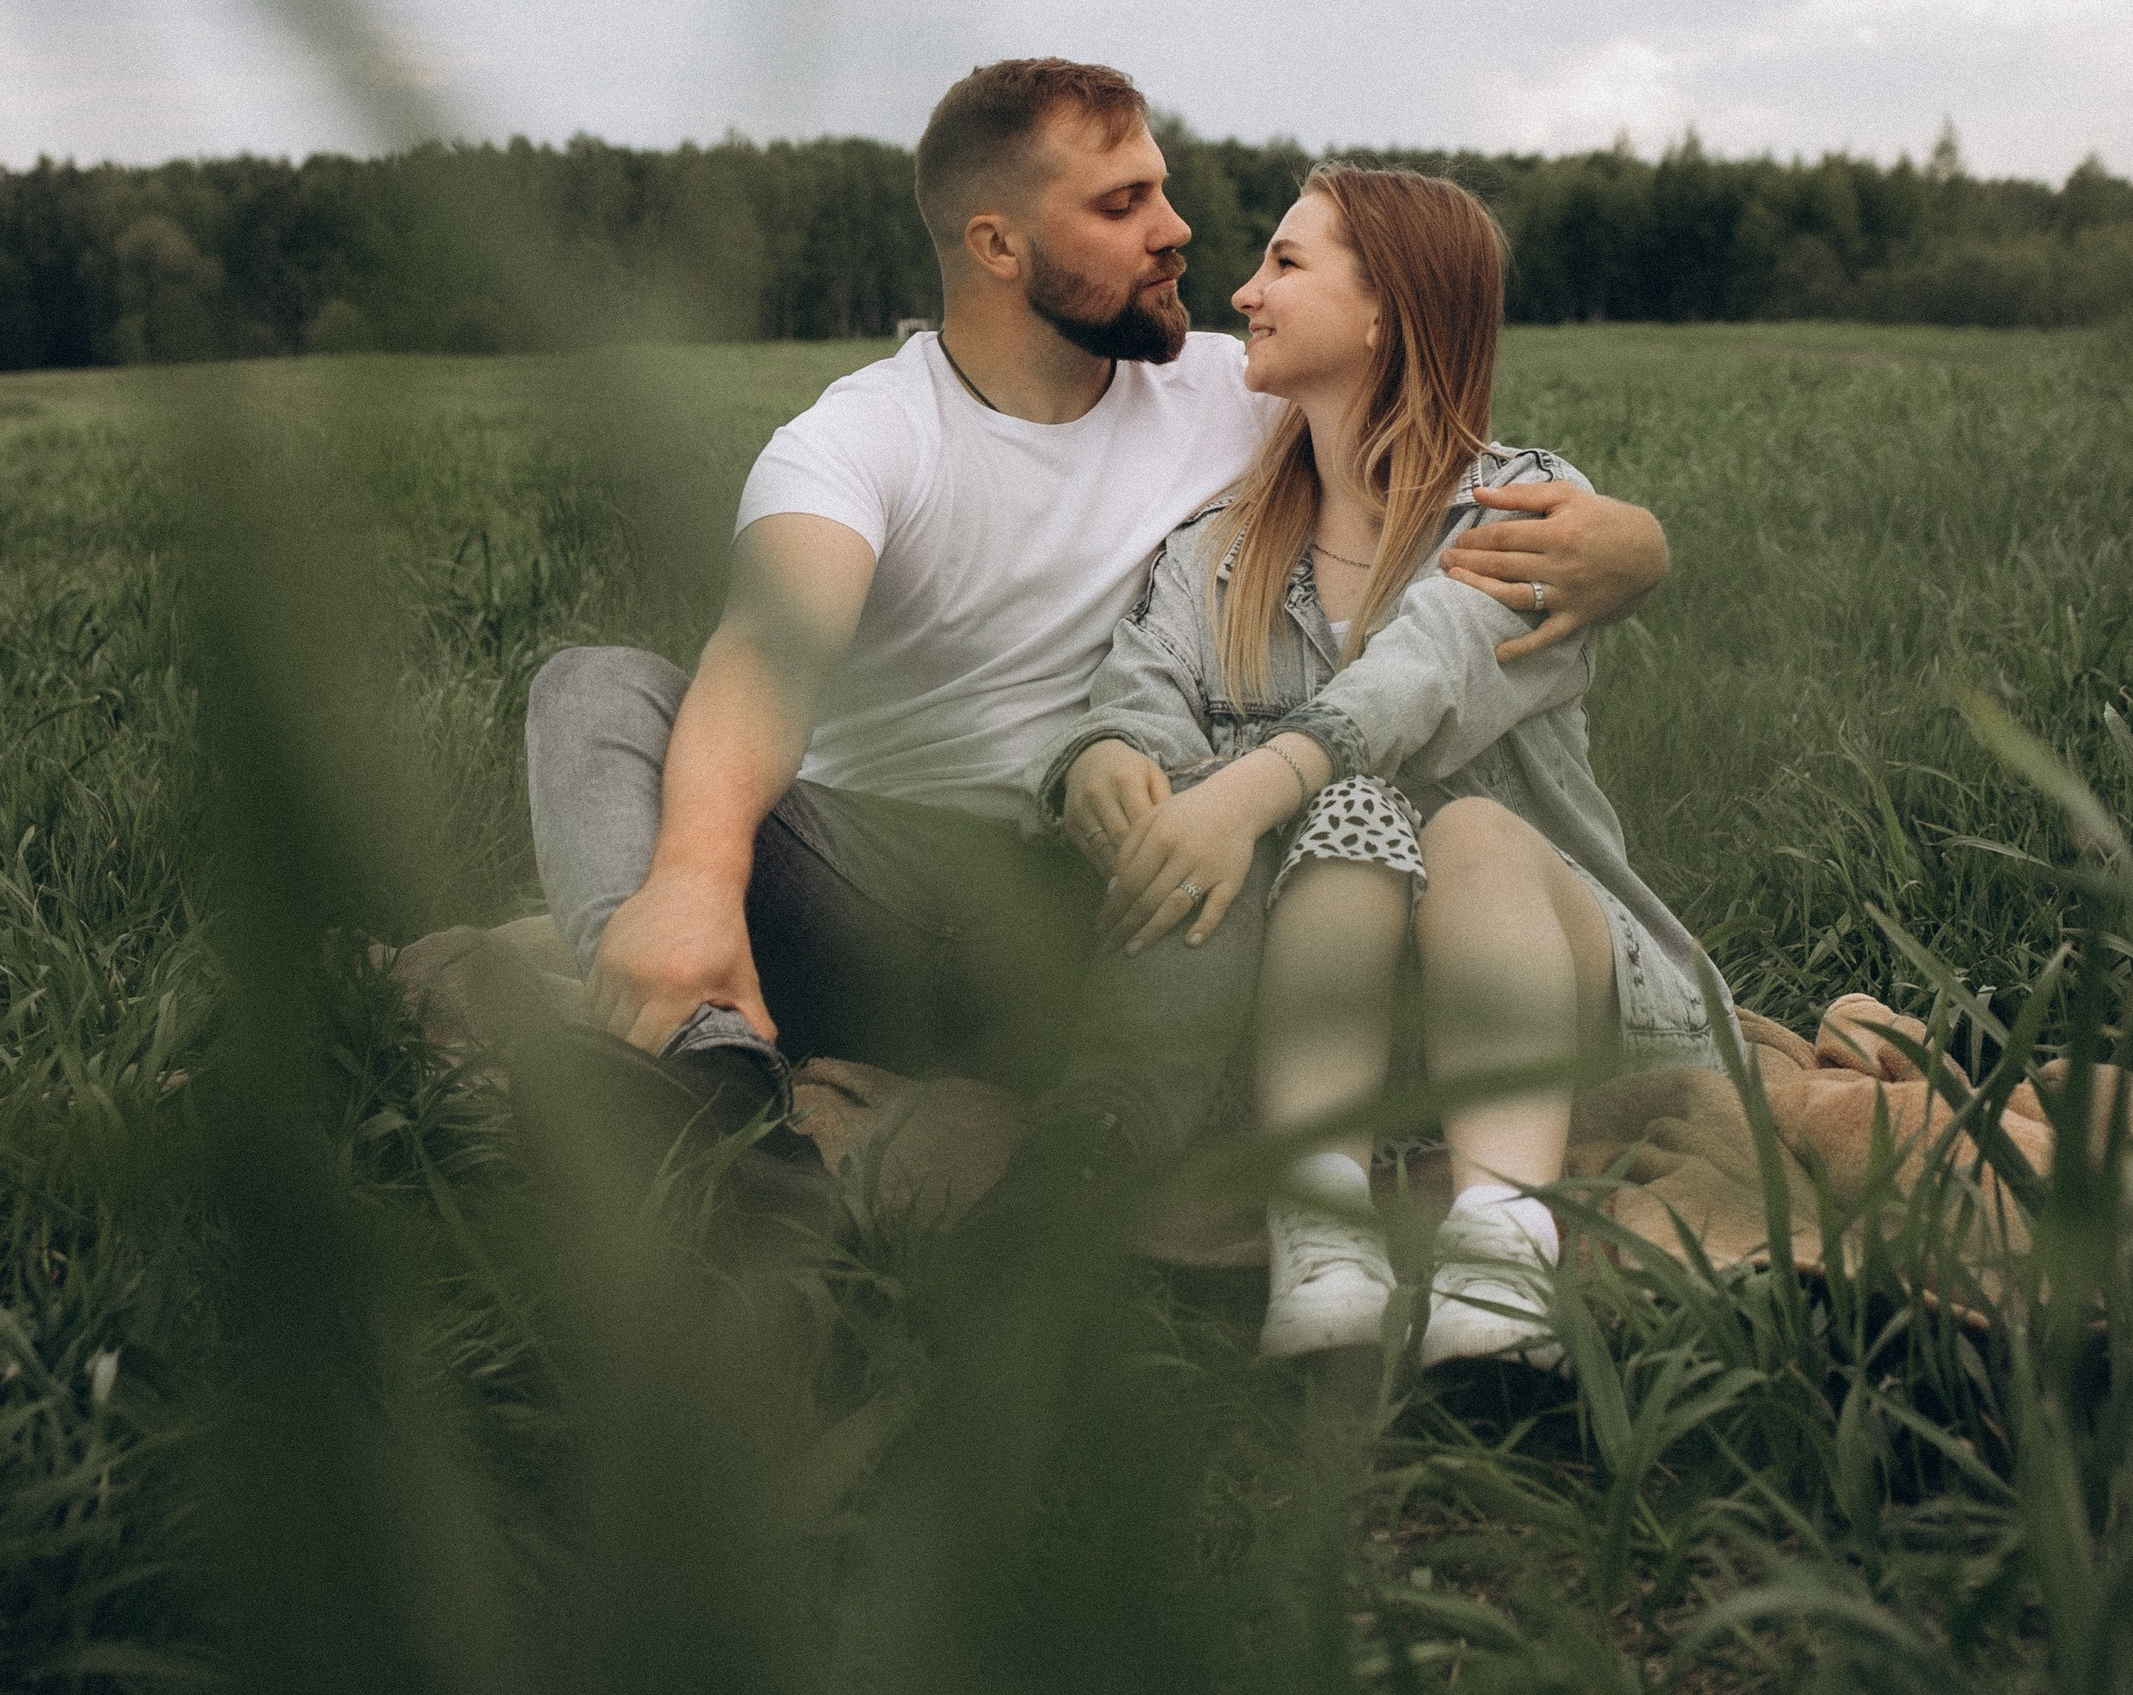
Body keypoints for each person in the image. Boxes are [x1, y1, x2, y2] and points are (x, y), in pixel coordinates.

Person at [526, 62, 1673, 1105]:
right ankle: (701, 1065)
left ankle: (1095, 1144)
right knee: (591, 691)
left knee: (1212, 827)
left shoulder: (1240, 392)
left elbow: (1427, 454)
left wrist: (1631, 547)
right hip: (867, 891)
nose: (1178, 233)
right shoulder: (862, 438)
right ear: (999, 246)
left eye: (1161, 190)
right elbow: (764, 658)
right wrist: (694, 877)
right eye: (1123, 205)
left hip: (1111, 902)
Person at [1039, 165, 1733, 1371]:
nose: (1244, 293)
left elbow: (1419, 681)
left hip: (1549, 993)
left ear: (1384, 312)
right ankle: (1320, 1226)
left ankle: (1503, 1246)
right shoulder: (1214, 552)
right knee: (1348, 812)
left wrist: (1242, 792)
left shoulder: (1522, 509)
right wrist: (1103, 758)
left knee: (1456, 826)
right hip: (1319, 1016)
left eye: (1285, 262)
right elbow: (1137, 693)